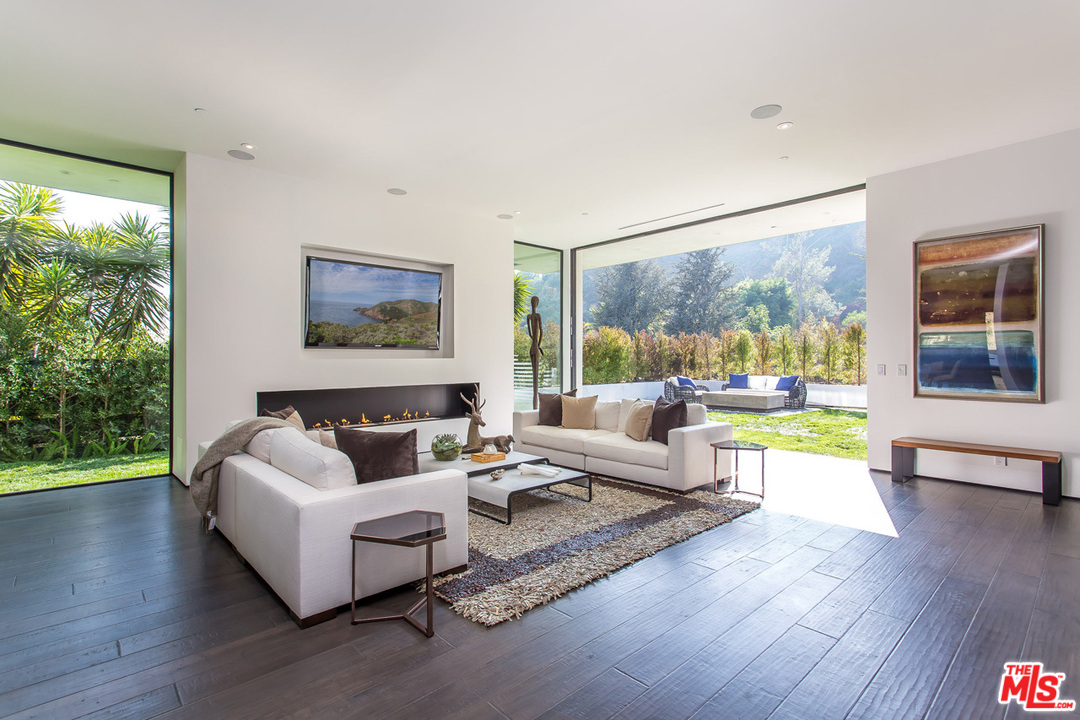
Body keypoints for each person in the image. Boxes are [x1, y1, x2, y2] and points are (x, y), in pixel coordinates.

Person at [526, 295, 543, 409]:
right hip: (534, 347)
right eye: (532, 302)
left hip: (535, 347)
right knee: (534, 376)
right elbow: (537, 332)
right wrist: (537, 344)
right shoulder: (532, 316)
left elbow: (537, 332)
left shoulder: (535, 316)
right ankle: (535, 407)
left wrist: (538, 345)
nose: (533, 304)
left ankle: (535, 407)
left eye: (534, 302)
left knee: (535, 376)